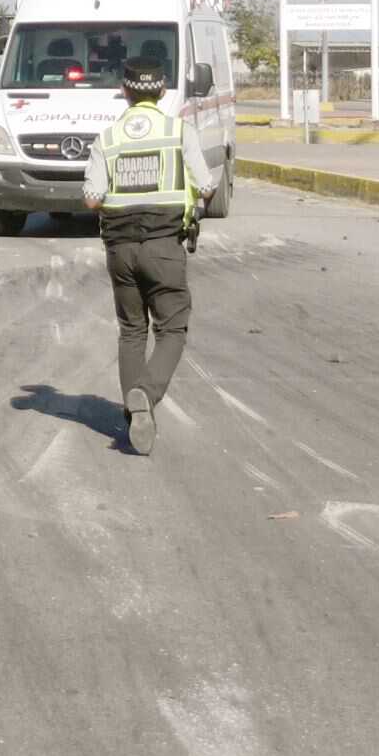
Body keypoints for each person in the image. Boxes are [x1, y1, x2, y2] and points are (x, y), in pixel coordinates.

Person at [81, 53, 216, 459]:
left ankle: (134, 417)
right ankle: (145, 393)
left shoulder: (108, 138)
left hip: (119, 249)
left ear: (124, 91)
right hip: (165, 246)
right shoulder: (179, 132)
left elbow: (91, 199)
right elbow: (206, 186)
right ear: (160, 90)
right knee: (172, 329)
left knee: (131, 331)